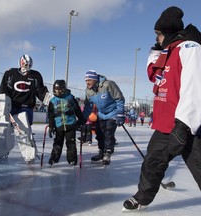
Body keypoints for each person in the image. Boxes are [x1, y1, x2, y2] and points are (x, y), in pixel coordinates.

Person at [122, 6, 201, 212]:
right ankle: (142, 197)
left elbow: (195, 87)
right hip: (166, 126)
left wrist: (183, 125)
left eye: (158, 35)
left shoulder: (190, 48)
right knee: (152, 163)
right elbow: (154, 75)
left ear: (166, 32)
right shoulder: (168, 51)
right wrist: (156, 52)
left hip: (188, 126)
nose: (156, 39)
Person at [82, 70, 125, 165]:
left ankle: (108, 152)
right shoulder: (88, 91)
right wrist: (83, 118)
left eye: (89, 80)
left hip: (113, 113)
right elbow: (88, 106)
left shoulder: (108, 84)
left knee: (108, 132)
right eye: (86, 80)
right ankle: (101, 152)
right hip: (101, 114)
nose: (87, 82)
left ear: (95, 79)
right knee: (99, 134)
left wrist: (120, 114)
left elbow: (119, 98)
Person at [0, 54, 49, 125]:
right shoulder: (10, 74)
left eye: (29, 66)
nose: (27, 67)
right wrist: (2, 101)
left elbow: (41, 91)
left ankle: (27, 135)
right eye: (26, 65)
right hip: (12, 106)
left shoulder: (36, 76)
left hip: (27, 107)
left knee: (25, 130)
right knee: (5, 128)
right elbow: (4, 89)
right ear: (21, 63)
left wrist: (50, 101)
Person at [47, 80, 86, 166]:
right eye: (55, 89)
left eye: (59, 89)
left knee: (71, 143)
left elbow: (77, 110)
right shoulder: (53, 101)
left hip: (70, 125)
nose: (57, 91)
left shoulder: (70, 98)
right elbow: (51, 115)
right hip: (59, 125)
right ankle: (54, 158)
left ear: (63, 89)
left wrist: (81, 120)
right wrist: (51, 126)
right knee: (57, 143)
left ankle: (72, 160)